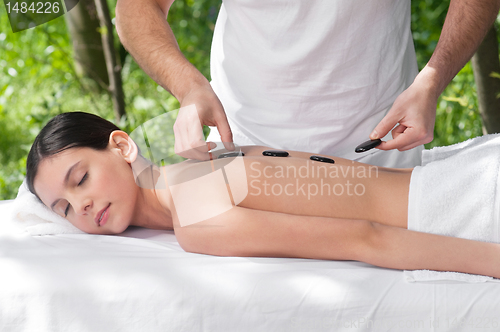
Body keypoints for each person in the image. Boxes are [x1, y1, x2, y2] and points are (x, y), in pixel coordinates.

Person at [26, 112, 500, 279]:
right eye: (64, 208)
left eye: (80, 178)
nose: (81, 206)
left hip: (459, 207)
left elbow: (366, 237)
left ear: (122, 146)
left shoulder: (195, 212)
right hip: (460, 182)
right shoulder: (204, 162)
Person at [115, 0, 500, 168]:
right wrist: (189, 87)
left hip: (380, 154)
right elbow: (135, 9)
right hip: (245, 154)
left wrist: (431, 81)